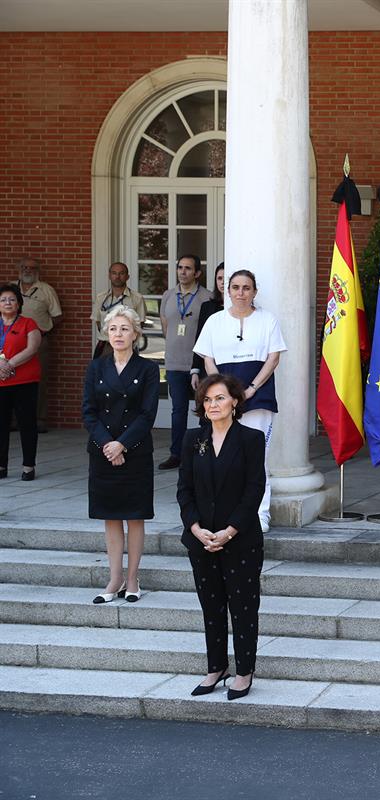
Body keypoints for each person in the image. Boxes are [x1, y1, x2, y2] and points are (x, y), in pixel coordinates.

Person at [177, 374, 267, 701]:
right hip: (202, 541)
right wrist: (195, 528)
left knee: (243, 607)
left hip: (240, 539)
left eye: (219, 398)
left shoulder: (251, 439)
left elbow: (254, 489)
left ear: (235, 402)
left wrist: (229, 531)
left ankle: (244, 671)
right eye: (207, 399)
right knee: (211, 607)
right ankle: (216, 668)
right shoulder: (192, 439)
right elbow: (184, 489)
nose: (213, 405)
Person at [193, 269, 286, 532]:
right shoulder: (215, 321)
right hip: (222, 401)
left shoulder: (267, 320)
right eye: (235, 287)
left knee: (257, 458)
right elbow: (208, 359)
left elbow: (273, 358)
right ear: (228, 291)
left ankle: (259, 514)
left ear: (254, 292)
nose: (240, 293)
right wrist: (223, 393)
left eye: (246, 288)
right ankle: (228, 512)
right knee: (223, 455)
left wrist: (252, 388)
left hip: (258, 397)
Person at [82, 306, 159, 604]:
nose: (118, 334)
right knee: (111, 517)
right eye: (113, 328)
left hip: (135, 451)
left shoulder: (148, 369)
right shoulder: (96, 368)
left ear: (135, 334)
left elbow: (147, 414)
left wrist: (122, 445)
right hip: (103, 452)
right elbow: (89, 412)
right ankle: (114, 579)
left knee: (135, 517)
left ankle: (132, 579)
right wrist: (108, 445)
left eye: (125, 329)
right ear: (106, 333)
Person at [158, 254, 213, 470]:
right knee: (178, 410)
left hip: (197, 364)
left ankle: (202, 452)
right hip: (174, 363)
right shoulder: (168, 295)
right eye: (180, 267)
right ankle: (176, 454)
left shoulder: (207, 297)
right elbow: (165, 326)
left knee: (204, 411)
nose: (183, 272)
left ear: (197, 273)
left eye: (188, 268)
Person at [0, 283, 42, 481]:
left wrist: (9, 365)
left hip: (25, 382)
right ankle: (1, 465)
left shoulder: (28, 323)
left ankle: (28, 466)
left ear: (19, 303)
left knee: (27, 424)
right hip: (1, 383)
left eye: (12, 299)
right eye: (3, 300)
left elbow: (32, 349)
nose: (7, 303)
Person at [16, 258, 62, 431]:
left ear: (38, 271)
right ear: (19, 269)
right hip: (12, 342)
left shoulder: (46, 290)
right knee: (10, 378)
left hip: (38, 342)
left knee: (38, 380)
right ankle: (13, 420)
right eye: (24, 267)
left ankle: (39, 420)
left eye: (32, 268)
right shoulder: (10, 289)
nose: (28, 270)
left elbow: (57, 316)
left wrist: (41, 330)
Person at [91, 262, 146, 359]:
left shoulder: (137, 298)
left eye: (121, 273)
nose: (117, 276)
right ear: (109, 276)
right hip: (105, 347)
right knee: (99, 369)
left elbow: (139, 325)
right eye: (114, 273)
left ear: (127, 277)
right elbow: (98, 322)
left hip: (128, 347)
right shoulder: (101, 298)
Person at [190, 262, 225, 382]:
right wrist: (195, 369)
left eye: (226, 279)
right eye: (219, 278)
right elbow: (200, 337)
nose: (222, 282)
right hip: (209, 362)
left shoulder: (239, 308)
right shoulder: (207, 306)